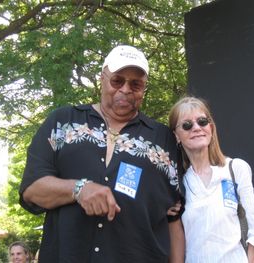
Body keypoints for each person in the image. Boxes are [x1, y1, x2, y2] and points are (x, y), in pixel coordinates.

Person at [19, 45, 185, 262]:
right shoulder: (63, 122)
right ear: (102, 78)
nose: (125, 89)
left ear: (144, 89)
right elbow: (31, 189)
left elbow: (173, 219)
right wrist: (78, 189)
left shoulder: (163, 139)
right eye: (117, 80)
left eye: (135, 84)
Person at [168, 96, 254, 263]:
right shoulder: (178, 184)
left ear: (211, 128)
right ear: (176, 135)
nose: (196, 128)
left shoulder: (236, 169)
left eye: (202, 121)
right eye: (187, 125)